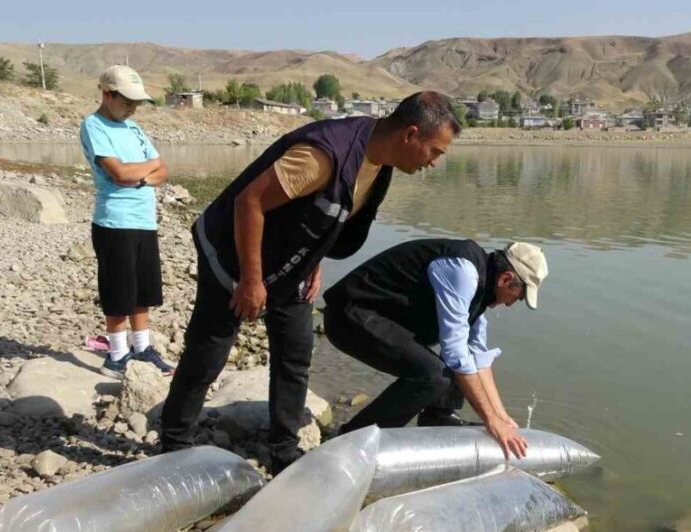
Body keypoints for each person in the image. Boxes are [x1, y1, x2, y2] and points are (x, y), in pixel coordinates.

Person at [160, 92, 462, 473]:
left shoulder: (378, 163)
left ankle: (283, 450)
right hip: (231, 251)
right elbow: (248, 203)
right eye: (435, 151)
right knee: (210, 349)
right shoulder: (323, 156)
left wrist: (313, 258)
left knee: (295, 352)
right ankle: (174, 446)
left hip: (291, 262)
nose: (434, 163)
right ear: (411, 135)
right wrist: (251, 281)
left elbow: (328, 215)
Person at [322, 238, 548, 459]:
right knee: (433, 376)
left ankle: (438, 417)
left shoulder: (480, 288)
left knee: (456, 365)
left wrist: (502, 418)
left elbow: (478, 357)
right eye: (517, 298)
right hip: (350, 316)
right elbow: (455, 352)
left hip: (377, 319)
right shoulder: (462, 271)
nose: (510, 304)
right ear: (506, 279)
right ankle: (350, 443)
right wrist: (491, 420)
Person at [80, 65, 174, 379]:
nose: (133, 108)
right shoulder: (94, 125)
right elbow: (117, 173)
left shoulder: (135, 129)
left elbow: (162, 170)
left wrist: (141, 176)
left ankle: (142, 348)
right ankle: (117, 356)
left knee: (143, 290)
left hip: (143, 220)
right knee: (118, 289)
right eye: (127, 101)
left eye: (136, 102)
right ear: (107, 94)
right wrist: (144, 170)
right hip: (114, 221)